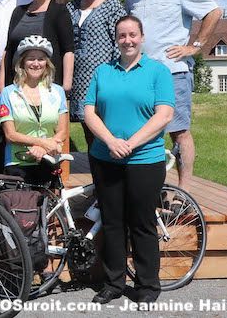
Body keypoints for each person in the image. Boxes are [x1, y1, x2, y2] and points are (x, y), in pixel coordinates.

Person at [84, 16, 175, 304]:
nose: (128, 40)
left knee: (142, 222)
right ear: (116, 39)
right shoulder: (102, 72)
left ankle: (148, 287)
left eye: (132, 34)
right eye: (122, 35)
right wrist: (111, 141)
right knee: (112, 222)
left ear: (142, 36)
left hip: (145, 160)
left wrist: (130, 144)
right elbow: (89, 112)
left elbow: (164, 115)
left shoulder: (158, 72)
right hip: (105, 157)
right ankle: (113, 282)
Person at [125, 0, 222, 188]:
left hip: (172, 72)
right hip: (140, 73)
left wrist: (195, 46)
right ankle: (152, 189)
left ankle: (184, 193)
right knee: (144, 132)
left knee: (178, 132)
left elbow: (213, 11)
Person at [66, 0, 127, 148]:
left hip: (105, 79)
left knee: (108, 132)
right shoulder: (71, 7)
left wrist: (117, 77)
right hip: (80, 81)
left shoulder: (112, 5)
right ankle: (98, 177)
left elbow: (120, 43)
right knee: (89, 133)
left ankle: (112, 177)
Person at [0, 35, 67, 184]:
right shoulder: (8, 93)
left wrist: (44, 148)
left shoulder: (57, 91)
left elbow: (62, 131)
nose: (36, 64)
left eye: (41, 59)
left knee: (48, 206)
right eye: (31, 58)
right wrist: (42, 143)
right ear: (22, 62)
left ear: (47, 63)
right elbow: (10, 135)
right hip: (18, 163)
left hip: (48, 159)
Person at [0, 0, 74, 94]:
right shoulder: (18, 12)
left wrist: (66, 86)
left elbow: (68, 51)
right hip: (16, 87)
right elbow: (8, 50)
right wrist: (2, 87)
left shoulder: (59, 12)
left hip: (47, 88)